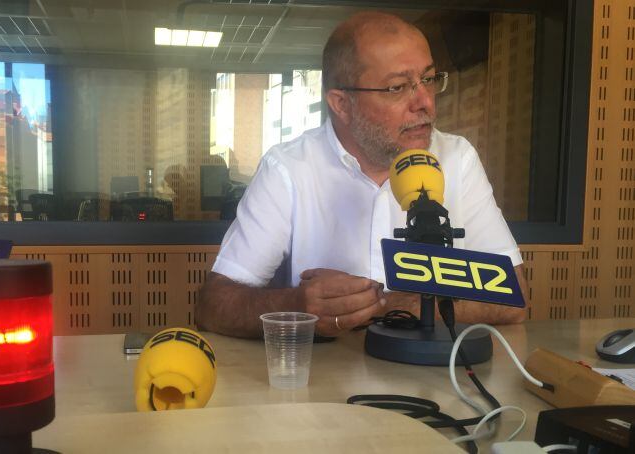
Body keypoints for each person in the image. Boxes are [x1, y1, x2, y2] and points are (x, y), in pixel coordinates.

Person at [196, 11, 528, 339]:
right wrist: (295, 304)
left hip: (438, 381)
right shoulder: (289, 168)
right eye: (398, 87)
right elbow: (213, 305)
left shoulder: (458, 159)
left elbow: (515, 299)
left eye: (428, 79)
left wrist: (383, 306)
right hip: (327, 384)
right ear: (341, 104)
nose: (425, 101)